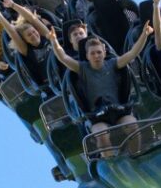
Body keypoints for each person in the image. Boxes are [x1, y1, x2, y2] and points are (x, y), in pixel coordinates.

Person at [50, 23, 154, 152]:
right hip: (97, 116)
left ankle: (135, 155)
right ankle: (110, 162)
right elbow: (64, 57)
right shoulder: (82, 68)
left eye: (99, 52)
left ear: (104, 52)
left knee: (133, 127)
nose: (96, 56)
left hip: (119, 111)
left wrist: (144, 34)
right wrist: (54, 41)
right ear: (87, 56)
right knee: (102, 135)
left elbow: (132, 53)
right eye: (92, 53)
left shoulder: (113, 63)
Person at [0, 0, 55, 87]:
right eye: (29, 35)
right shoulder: (27, 50)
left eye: (33, 32)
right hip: (53, 78)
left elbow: (33, 19)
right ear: (25, 40)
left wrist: (13, 5)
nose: (33, 35)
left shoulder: (46, 36)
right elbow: (12, 32)